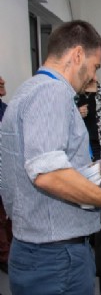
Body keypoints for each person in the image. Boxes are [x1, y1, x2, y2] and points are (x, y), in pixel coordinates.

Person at [0, 20, 101, 294]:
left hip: (36, 248)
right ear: (77, 55)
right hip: (57, 257)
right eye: (95, 66)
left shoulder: (28, 89)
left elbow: (56, 166)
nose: (92, 76)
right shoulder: (52, 92)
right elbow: (49, 175)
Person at [0, 75, 12, 274]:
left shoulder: (6, 108)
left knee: (9, 215)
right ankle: (4, 257)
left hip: (8, 167)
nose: (3, 82)